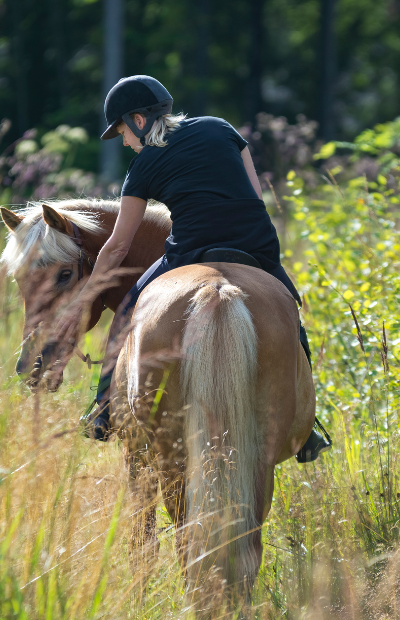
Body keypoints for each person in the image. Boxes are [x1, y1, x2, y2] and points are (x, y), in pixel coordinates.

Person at [63, 75, 329, 462]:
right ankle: (307, 424)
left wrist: (86, 294)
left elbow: (119, 244)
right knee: (290, 310)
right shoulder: (222, 128)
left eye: (122, 132)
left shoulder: (143, 165)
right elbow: (255, 197)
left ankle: (103, 409)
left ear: (139, 120)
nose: (124, 141)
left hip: (191, 252)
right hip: (257, 244)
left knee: (126, 313)